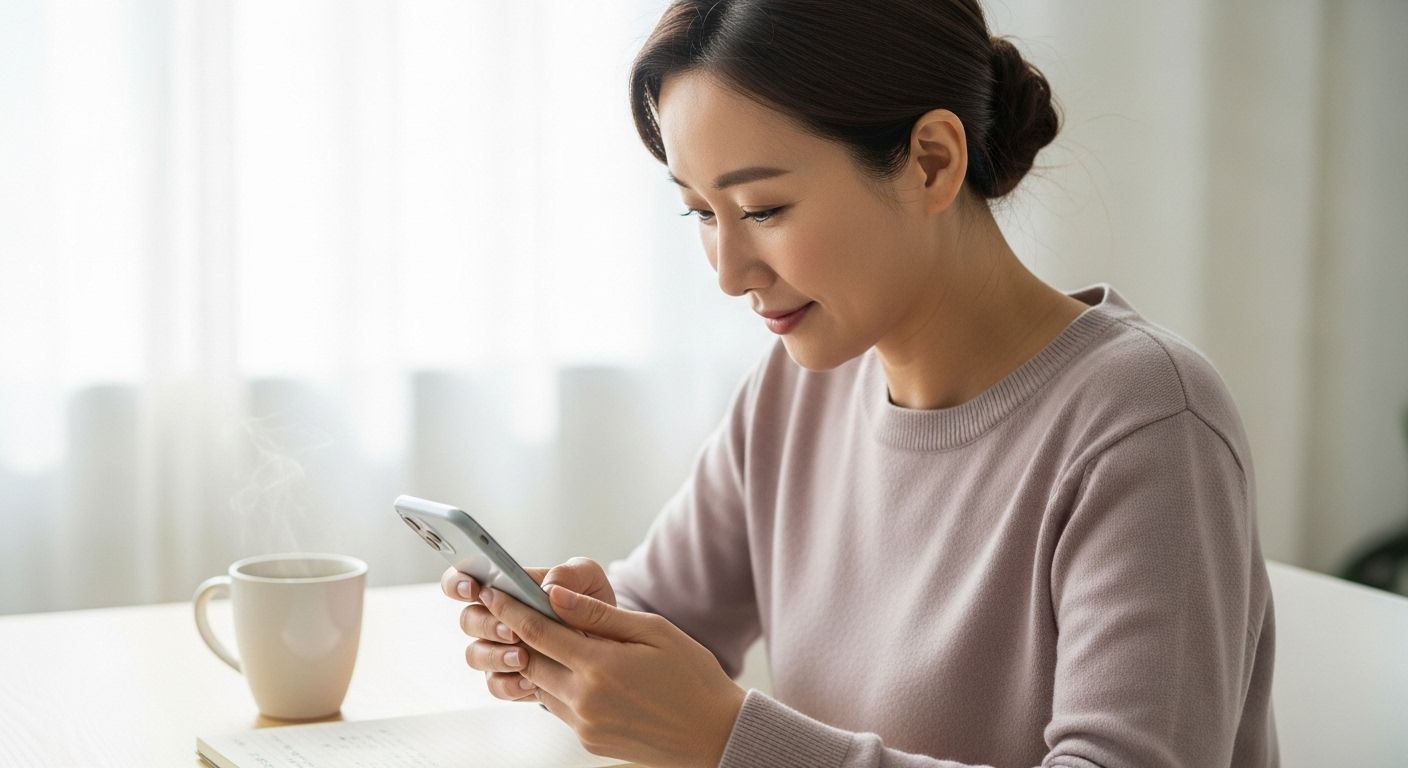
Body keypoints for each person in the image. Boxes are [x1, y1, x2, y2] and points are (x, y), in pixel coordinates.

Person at [441, 1, 1279, 765]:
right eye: (700, 212)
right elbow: (668, 612)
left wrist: (731, 739)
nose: (729, 274)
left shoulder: (1146, 422)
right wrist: (570, 633)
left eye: (762, 209)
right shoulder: (800, 386)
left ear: (931, 162)